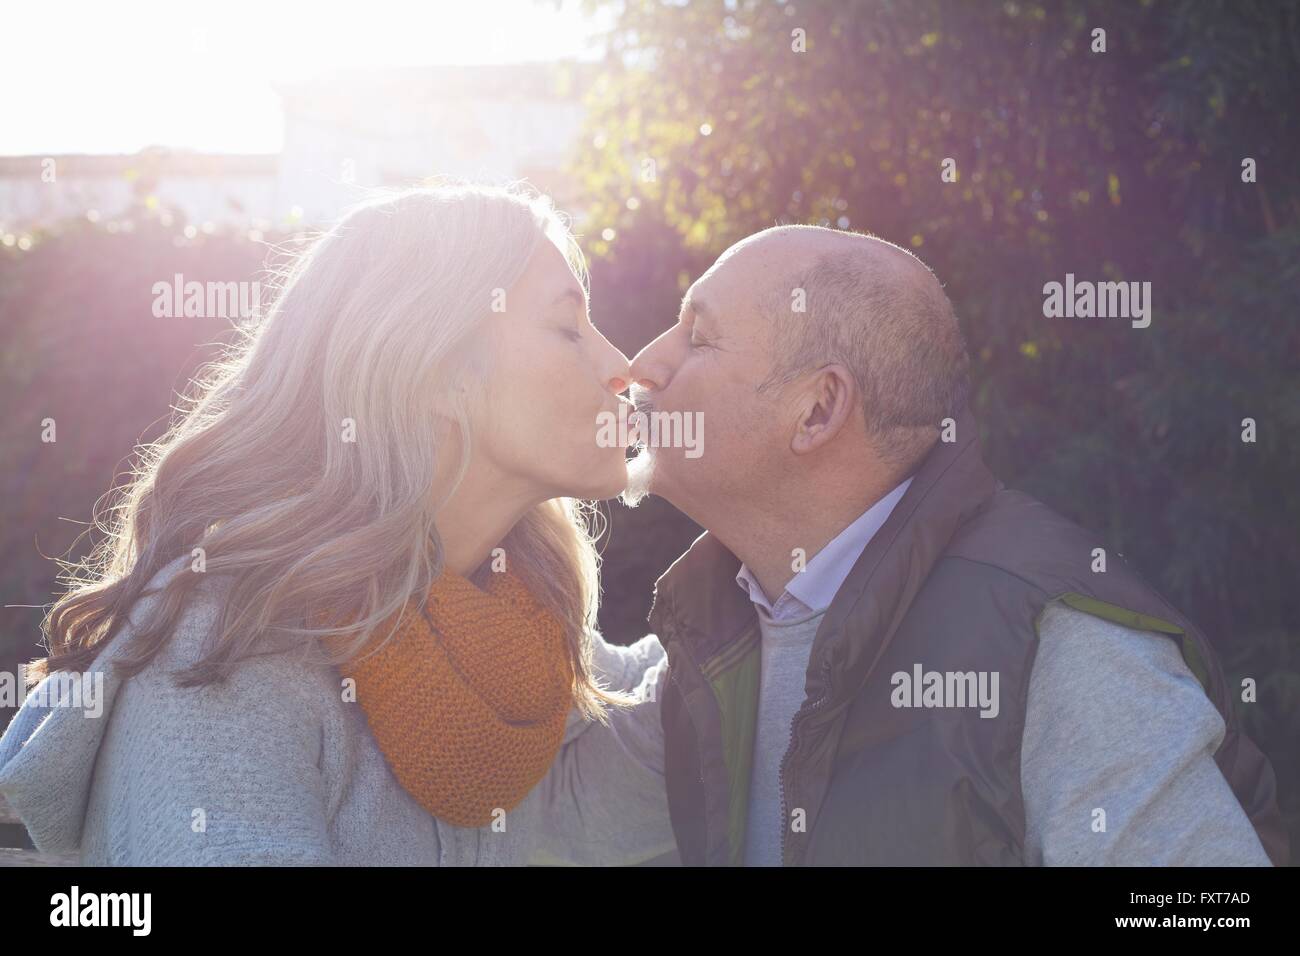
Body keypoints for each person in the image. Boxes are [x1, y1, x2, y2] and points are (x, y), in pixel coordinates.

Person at [0, 184, 675, 866]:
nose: (621, 369)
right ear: (436, 368)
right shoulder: (224, 651)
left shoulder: (516, 632)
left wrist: (748, 485)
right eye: (567, 328)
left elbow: (682, 731)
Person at [618, 224, 1287, 866]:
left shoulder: (1059, 648)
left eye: (697, 338)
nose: (644, 363)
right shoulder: (714, 638)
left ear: (818, 410)